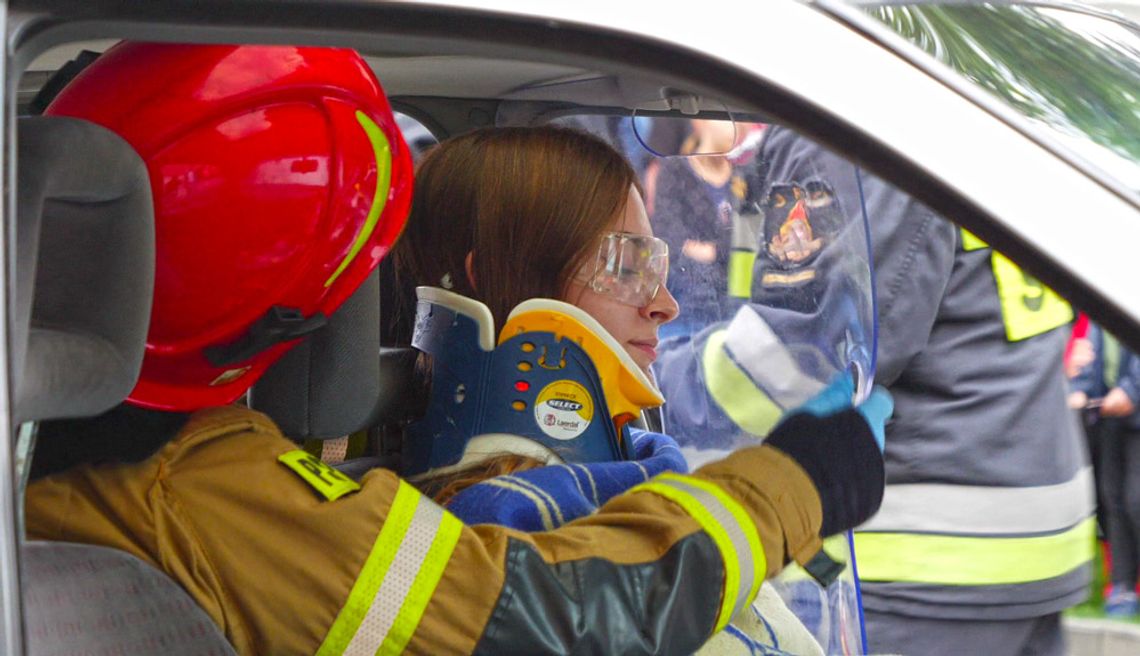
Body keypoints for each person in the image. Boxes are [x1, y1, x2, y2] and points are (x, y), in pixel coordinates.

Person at [24, 43, 890, 655]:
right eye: (627, 265)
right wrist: (793, 483)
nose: (664, 305)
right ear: (288, 306)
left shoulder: (88, 461)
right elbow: (537, 617)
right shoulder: (207, 489)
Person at [674, 125, 1091, 656]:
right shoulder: (963, 117)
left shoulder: (845, 123)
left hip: (919, 560)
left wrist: (657, 380)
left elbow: (809, 360)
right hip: (1018, 533)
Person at [1069, 323, 1140, 617]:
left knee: (1136, 500)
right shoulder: (1103, 310)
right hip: (1110, 418)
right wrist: (1079, 388)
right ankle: (1122, 587)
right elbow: (1092, 350)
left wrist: (1131, 391)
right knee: (1113, 500)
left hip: (1131, 413)